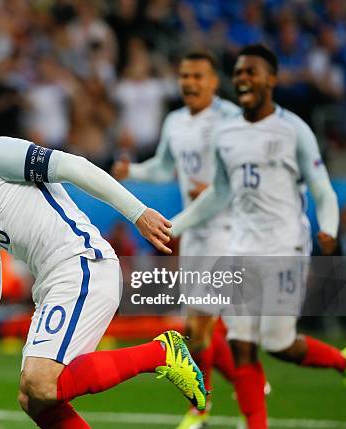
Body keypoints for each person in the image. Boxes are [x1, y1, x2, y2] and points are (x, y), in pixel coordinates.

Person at [0, 134, 208, 427]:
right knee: (33, 399)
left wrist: (137, 212)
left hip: (82, 265)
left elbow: (72, 166)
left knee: (42, 383)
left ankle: (162, 353)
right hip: (52, 286)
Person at [170, 45, 346, 428]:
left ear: (272, 80)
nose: (243, 78)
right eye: (239, 73)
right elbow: (218, 194)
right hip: (241, 247)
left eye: (252, 72)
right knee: (240, 343)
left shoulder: (293, 129)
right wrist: (174, 225)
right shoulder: (226, 135)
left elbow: (323, 189)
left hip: (284, 247)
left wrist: (327, 227)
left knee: (279, 345)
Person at [111, 50, 239, 429]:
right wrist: (131, 169)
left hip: (227, 228)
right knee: (200, 326)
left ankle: (201, 407)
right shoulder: (175, 122)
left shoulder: (232, 119)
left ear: (214, 82)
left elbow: (246, 170)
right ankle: (241, 384)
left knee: (201, 324)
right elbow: (165, 167)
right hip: (194, 232)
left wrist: (218, 188)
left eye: (198, 76)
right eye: (185, 76)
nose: (190, 83)